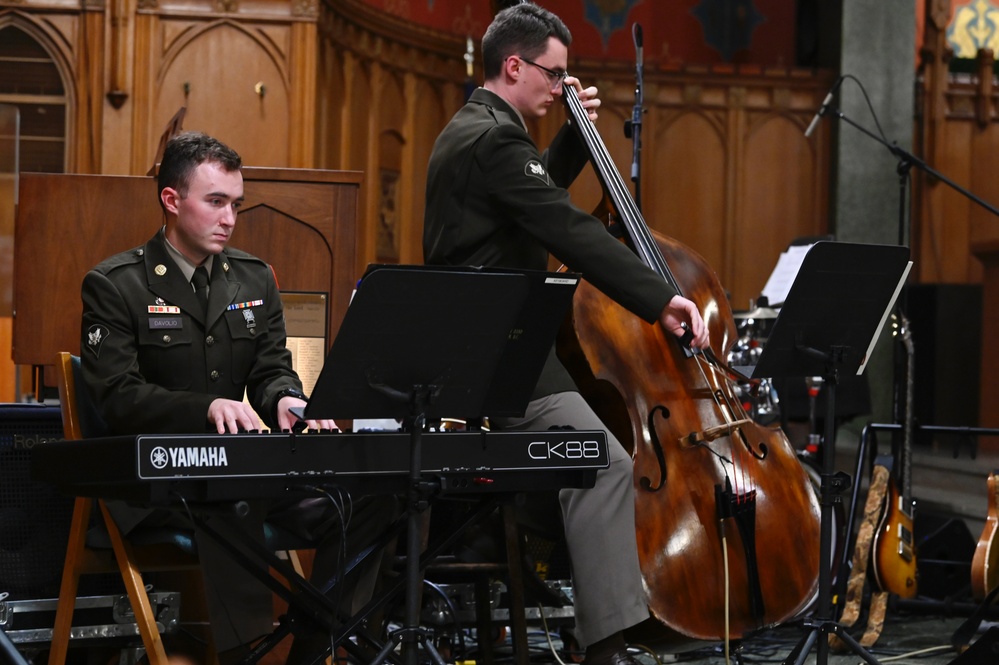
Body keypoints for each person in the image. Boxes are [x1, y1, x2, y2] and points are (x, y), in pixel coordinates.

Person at [423, 4, 709, 665]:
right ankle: (603, 642)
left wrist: (575, 137)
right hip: (495, 355)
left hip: (492, 346)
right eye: (554, 75)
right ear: (514, 65)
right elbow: (566, 229)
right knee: (604, 463)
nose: (560, 88)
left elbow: (530, 198)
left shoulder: (479, 129)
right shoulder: (495, 139)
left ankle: (580, 611)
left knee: (588, 467)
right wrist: (660, 296)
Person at [81, 131, 393, 664]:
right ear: (172, 201)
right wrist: (204, 407)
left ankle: (318, 650)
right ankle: (246, 656)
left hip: (241, 467)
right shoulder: (117, 284)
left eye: (236, 204)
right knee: (233, 500)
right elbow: (117, 396)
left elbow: (272, 370)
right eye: (216, 201)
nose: (229, 217)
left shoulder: (253, 278)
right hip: (160, 481)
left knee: (374, 498)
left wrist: (288, 403)